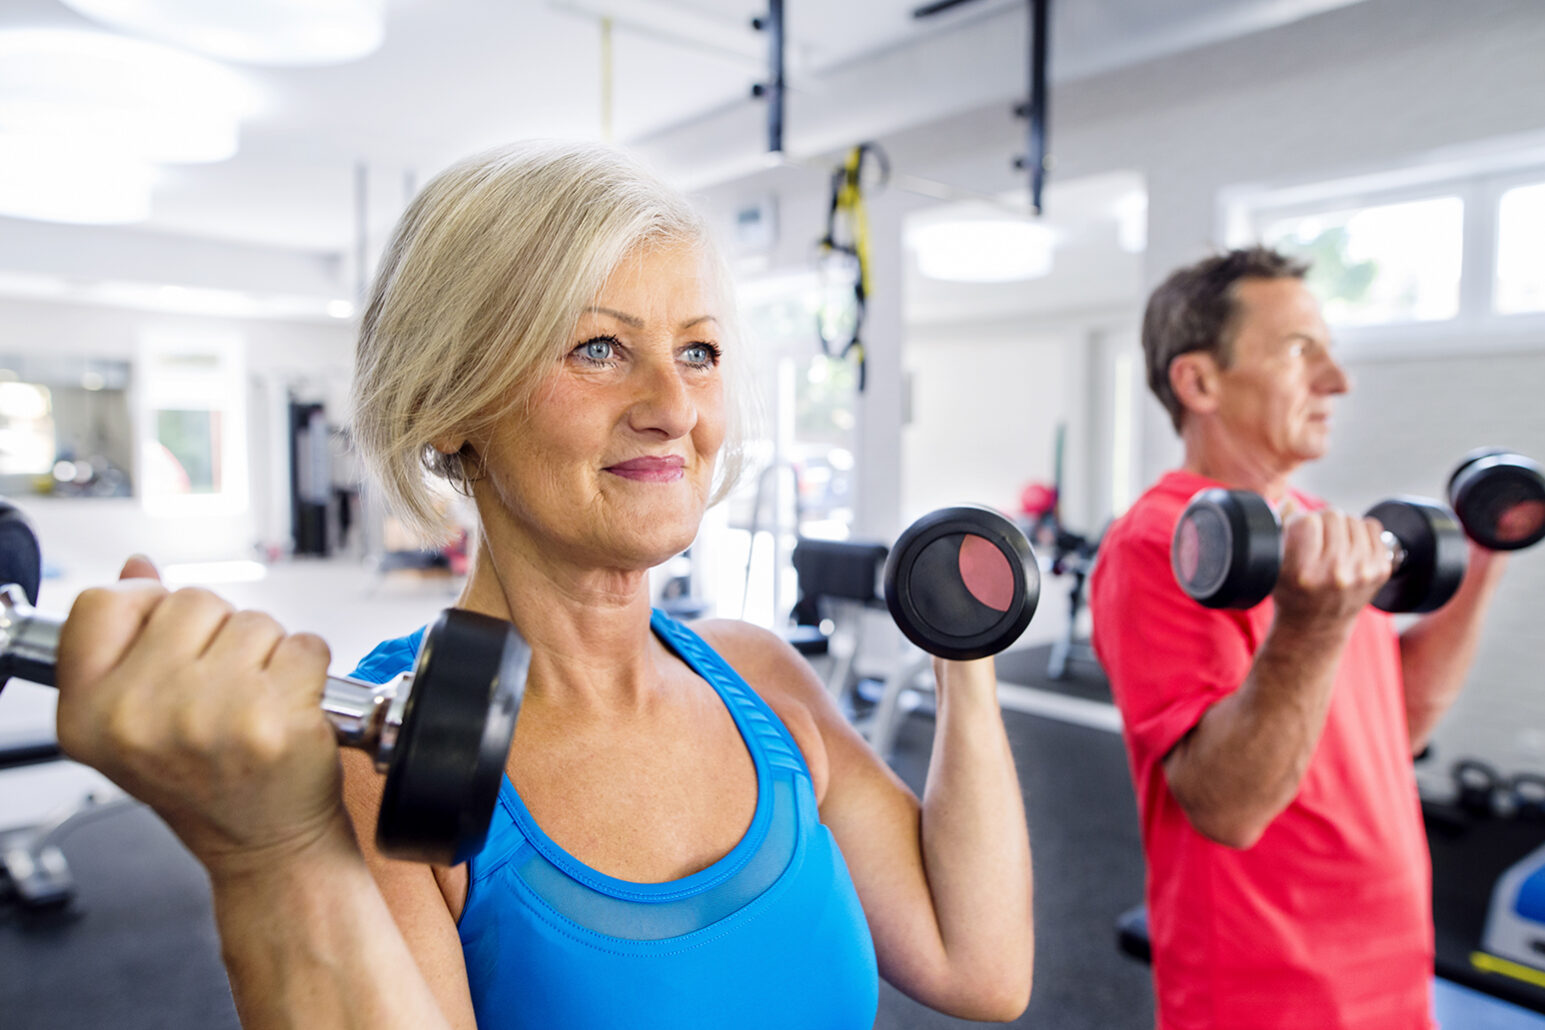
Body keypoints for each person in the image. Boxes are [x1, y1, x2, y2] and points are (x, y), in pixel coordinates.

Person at [51, 140, 1034, 1029]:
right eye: (598, 348)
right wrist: (267, 855)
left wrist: (967, 652)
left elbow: (979, 964)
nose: (674, 406)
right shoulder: (376, 758)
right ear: (449, 406)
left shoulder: (762, 677)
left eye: (697, 350)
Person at [1088, 246, 1510, 1029]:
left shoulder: (1314, 527)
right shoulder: (1161, 543)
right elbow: (1226, 807)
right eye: (1297, 349)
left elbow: (1394, 724)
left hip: (1388, 956)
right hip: (1269, 983)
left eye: (1329, 350)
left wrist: (1482, 558)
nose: (1336, 380)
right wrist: (1312, 624)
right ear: (1198, 382)